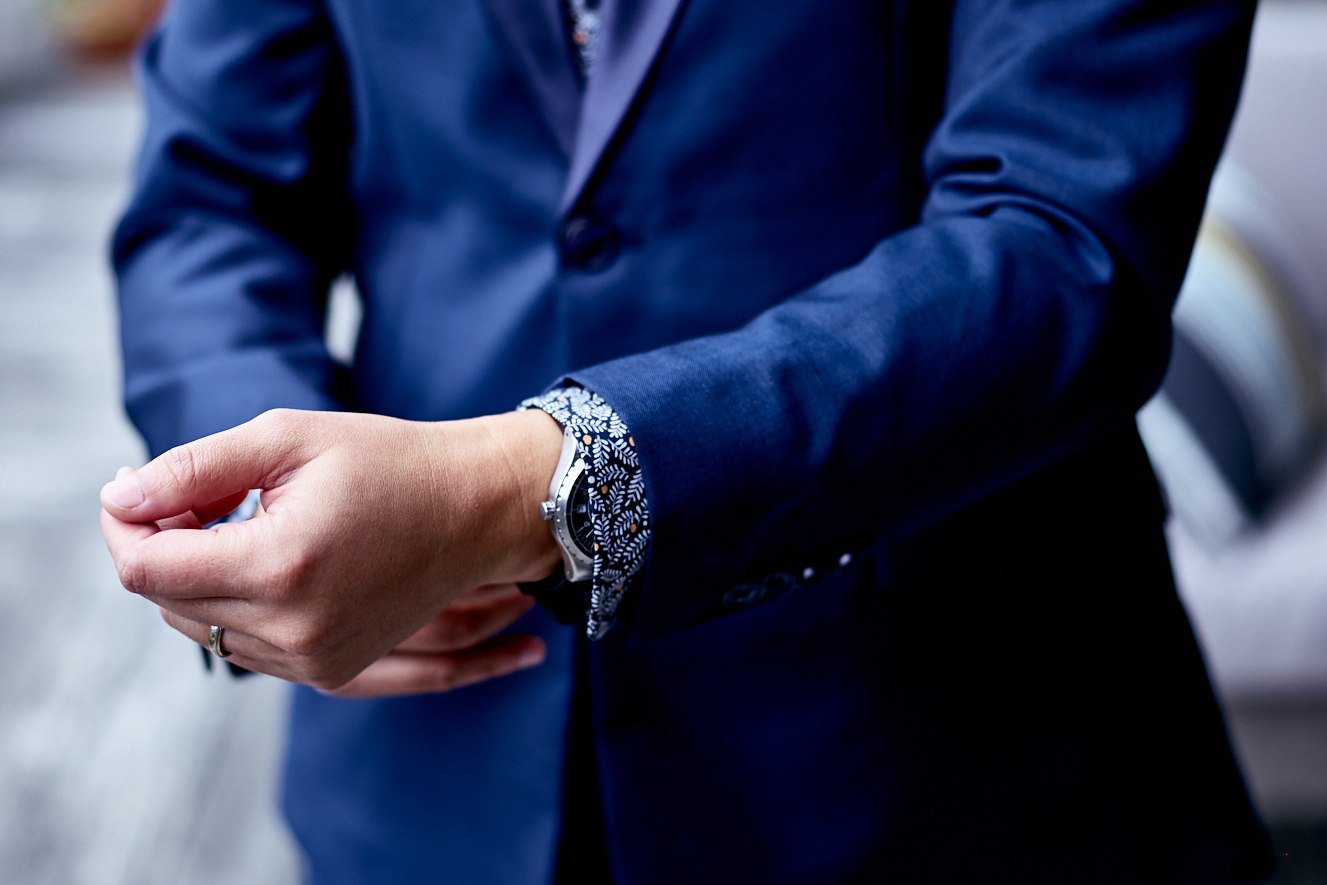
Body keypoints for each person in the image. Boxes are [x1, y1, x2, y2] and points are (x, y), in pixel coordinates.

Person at [100, 0, 1274, 881]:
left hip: (946, 761)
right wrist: (259, 513)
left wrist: (531, 487)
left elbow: (1058, 246)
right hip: (427, 776)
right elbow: (210, 196)